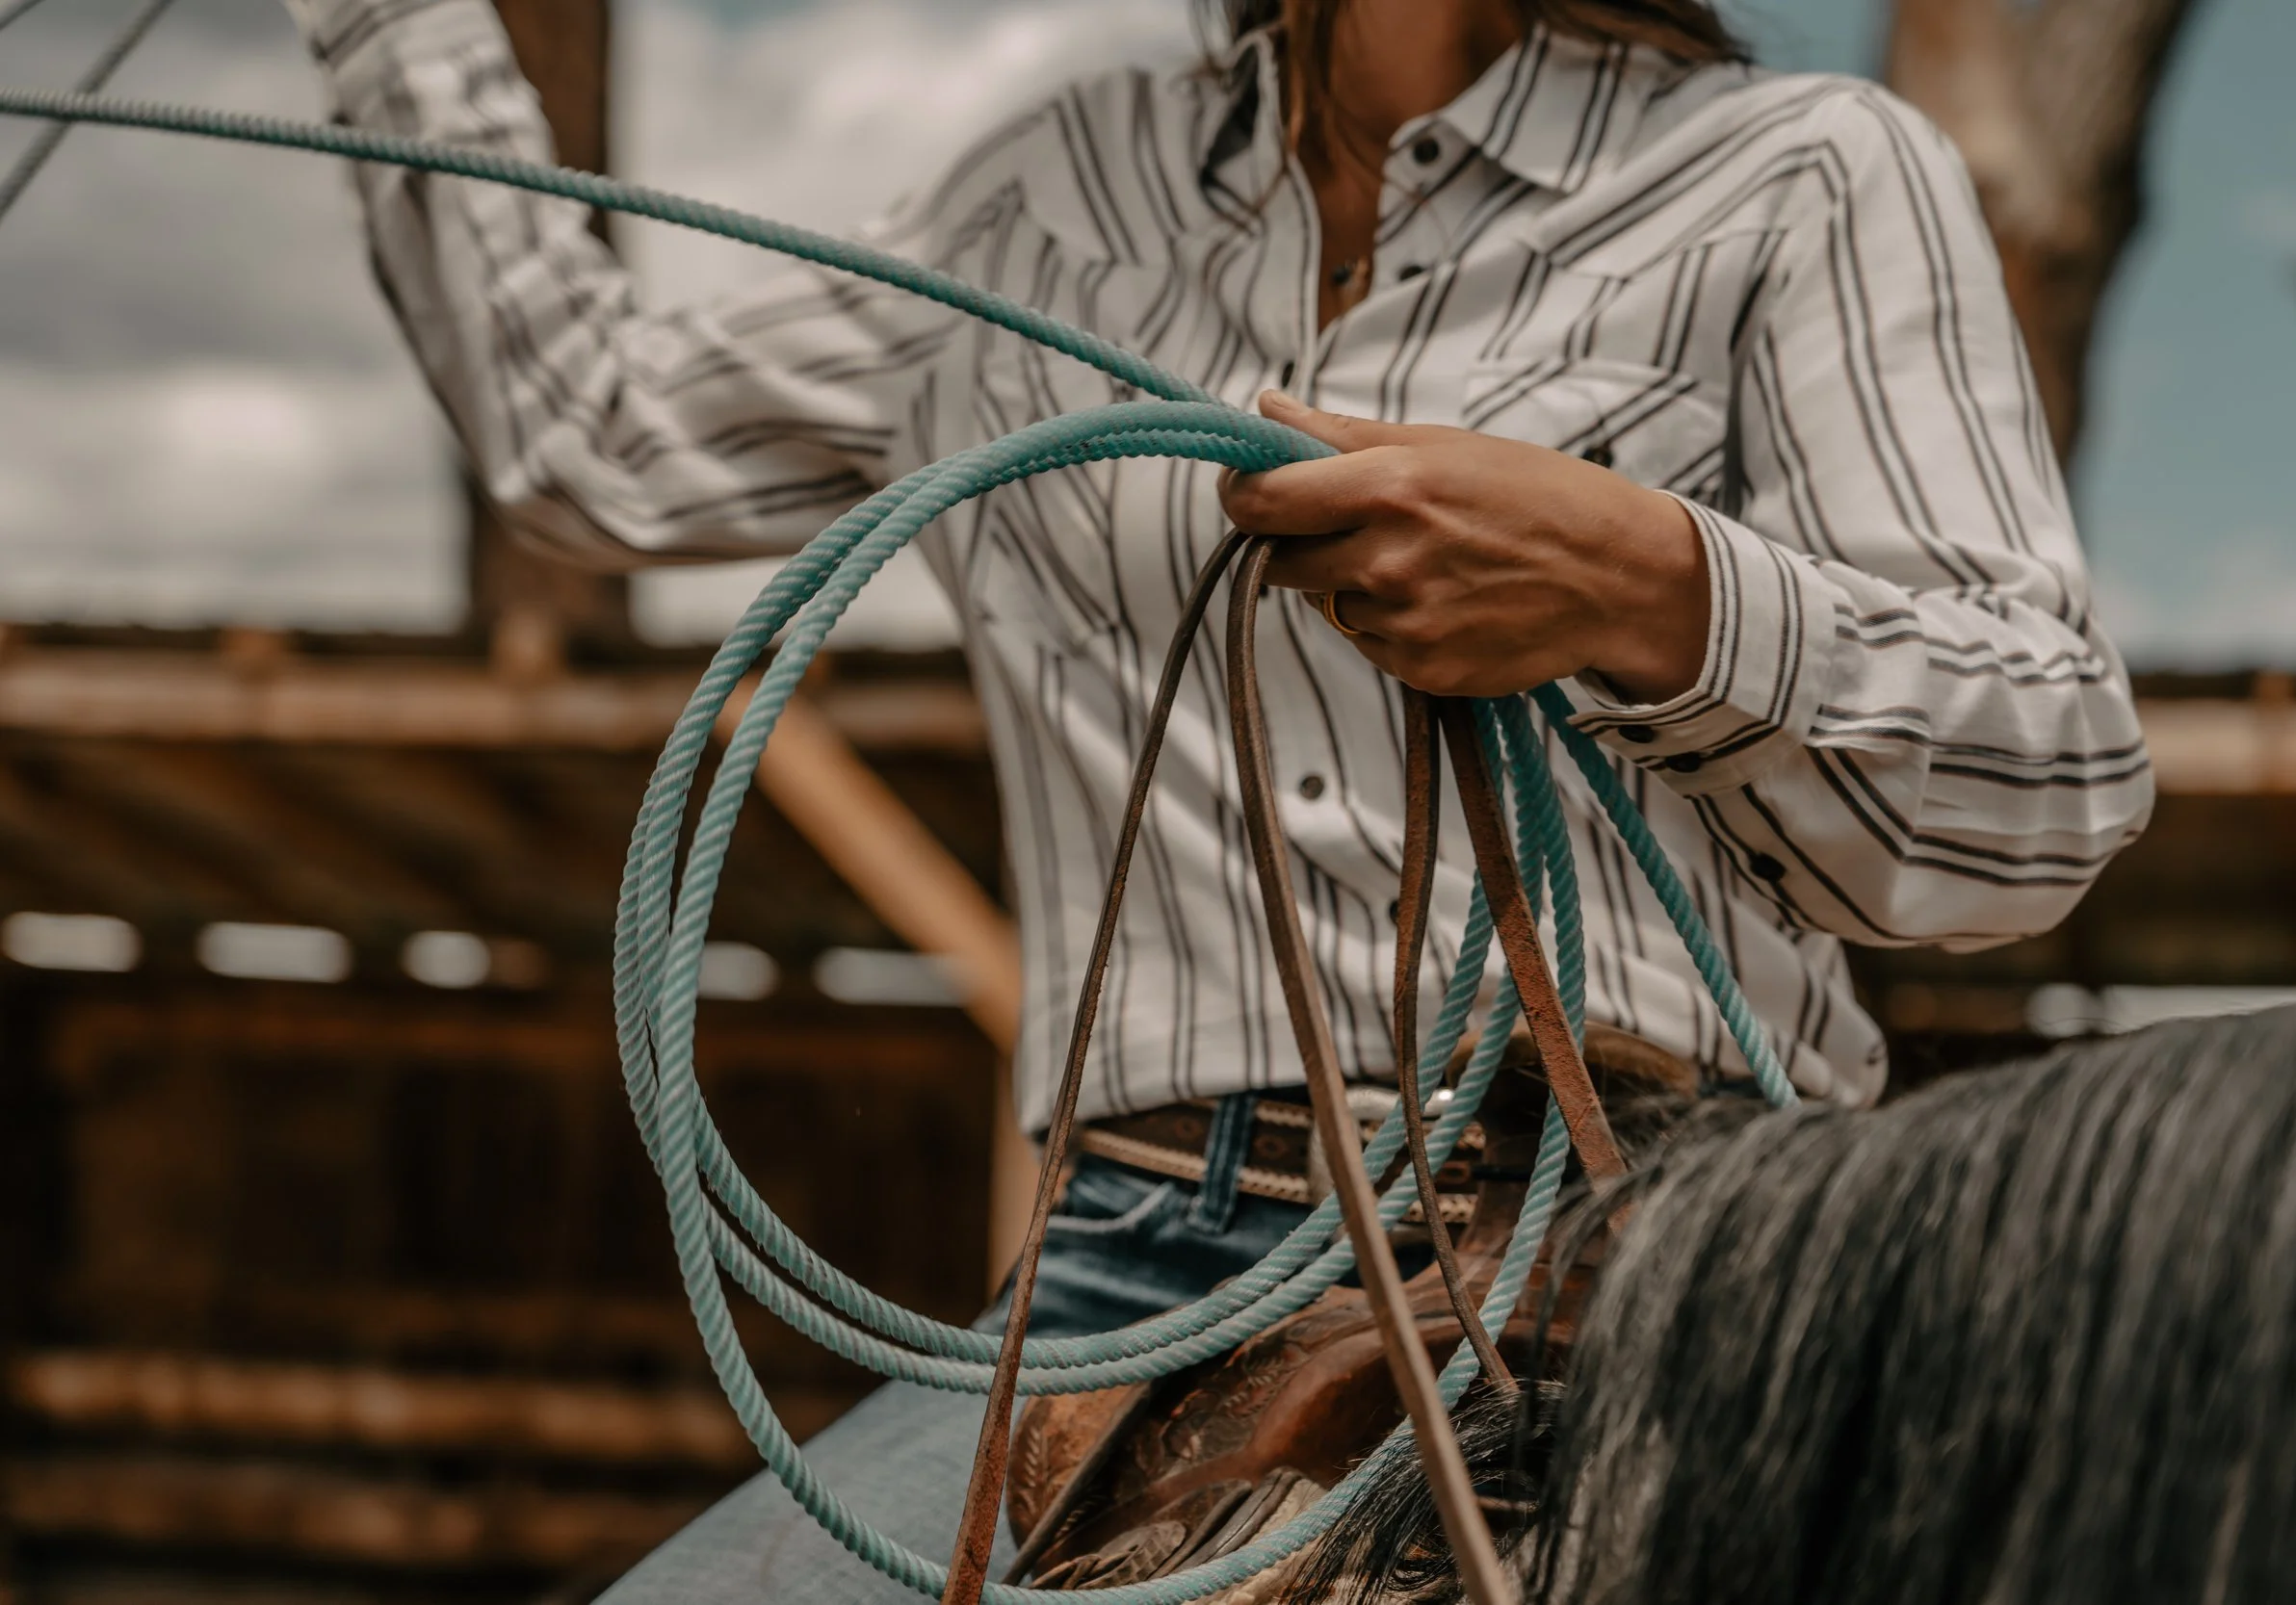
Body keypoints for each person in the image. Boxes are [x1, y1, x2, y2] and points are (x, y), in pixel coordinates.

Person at [285, 0, 2155, 1597]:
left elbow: (2047, 781)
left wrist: (1651, 586)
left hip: (1633, 1230)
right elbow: (595, 436)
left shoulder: (1803, 167)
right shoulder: (1037, 196)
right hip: (1123, 1269)